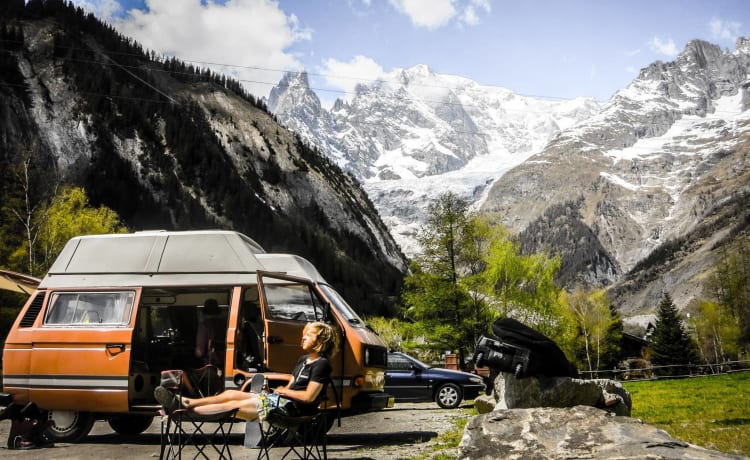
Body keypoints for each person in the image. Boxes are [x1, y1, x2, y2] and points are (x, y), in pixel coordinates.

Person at [156, 321, 339, 420]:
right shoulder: (303, 360)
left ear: (322, 340)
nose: (303, 337)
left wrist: (284, 391)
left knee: (232, 406)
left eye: (309, 334)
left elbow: (309, 397)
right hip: (277, 400)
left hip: (291, 410)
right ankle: (187, 402)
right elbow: (293, 383)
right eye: (303, 334)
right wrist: (276, 391)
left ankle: (184, 412)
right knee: (229, 393)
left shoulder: (321, 364)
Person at [194, 298, 226, 367]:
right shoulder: (226, 323)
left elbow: (200, 352)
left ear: (204, 312)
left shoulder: (204, 325)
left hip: (212, 364)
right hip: (228, 361)